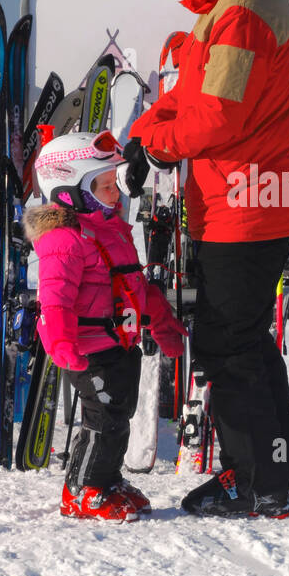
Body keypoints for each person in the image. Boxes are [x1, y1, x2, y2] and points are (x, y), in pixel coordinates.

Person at [122, 0, 289, 518]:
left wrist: (154, 144)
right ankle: (268, 475)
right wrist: (144, 131)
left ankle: (257, 481)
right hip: (245, 196)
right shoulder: (228, 5)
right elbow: (188, 95)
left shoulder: (242, 13)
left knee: (230, 340)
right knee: (238, 338)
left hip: (250, 198)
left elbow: (217, 117)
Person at [26, 129, 187, 522]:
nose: (116, 193)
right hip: (88, 348)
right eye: (104, 186)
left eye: (114, 184)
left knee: (120, 413)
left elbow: (134, 285)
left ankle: (107, 482)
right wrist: (60, 343)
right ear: (68, 191)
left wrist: (162, 322)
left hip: (120, 342)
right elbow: (55, 298)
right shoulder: (64, 239)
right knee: (103, 418)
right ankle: (82, 490)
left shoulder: (112, 231)